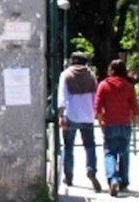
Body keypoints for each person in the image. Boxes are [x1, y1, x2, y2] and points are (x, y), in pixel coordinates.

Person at [95, 59, 139, 197]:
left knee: (110, 153)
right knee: (124, 153)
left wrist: (101, 122)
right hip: (125, 124)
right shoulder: (129, 86)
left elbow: (97, 107)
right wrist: (136, 122)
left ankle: (113, 179)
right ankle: (124, 181)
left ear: (111, 70)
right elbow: (135, 108)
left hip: (110, 123)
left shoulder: (103, 85)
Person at [57, 51, 101, 191]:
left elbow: (62, 95)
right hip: (88, 115)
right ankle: (91, 170)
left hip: (71, 115)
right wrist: (95, 113)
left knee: (68, 147)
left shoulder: (66, 74)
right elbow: (95, 95)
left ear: (72, 61)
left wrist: (61, 114)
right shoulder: (91, 75)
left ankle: (68, 176)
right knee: (90, 146)